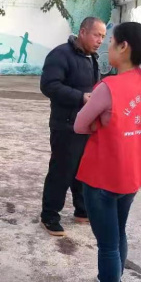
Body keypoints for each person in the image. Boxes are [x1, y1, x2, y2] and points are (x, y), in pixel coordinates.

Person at [73, 22, 141, 282]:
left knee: (108, 244)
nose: (107, 46)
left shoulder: (108, 87)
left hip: (103, 175)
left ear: (124, 47)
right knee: (118, 232)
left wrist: (99, 122)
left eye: (111, 41)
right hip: (131, 173)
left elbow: (79, 125)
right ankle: (115, 281)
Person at [39, 17, 106, 236]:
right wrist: (81, 97)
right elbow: (49, 85)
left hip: (86, 124)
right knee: (62, 171)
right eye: (96, 35)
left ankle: (82, 210)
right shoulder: (61, 54)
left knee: (83, 170)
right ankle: (49, 216)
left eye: (103, 37)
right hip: (65, 125)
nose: (100, 41)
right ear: (83, 32)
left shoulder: (91, 57)